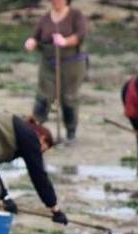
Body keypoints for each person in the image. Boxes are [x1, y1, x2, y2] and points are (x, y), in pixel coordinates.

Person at [24, 0, 89, 141]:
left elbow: (81, 34)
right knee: (43, 96)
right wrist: (31, 42)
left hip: (71, 64)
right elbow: (36, 36)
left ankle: (71, 133)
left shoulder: (76, 15)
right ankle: (36, 130)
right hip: (48, 64)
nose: (56, 1)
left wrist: (66, 41)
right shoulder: (45, 18)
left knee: (68, 98)